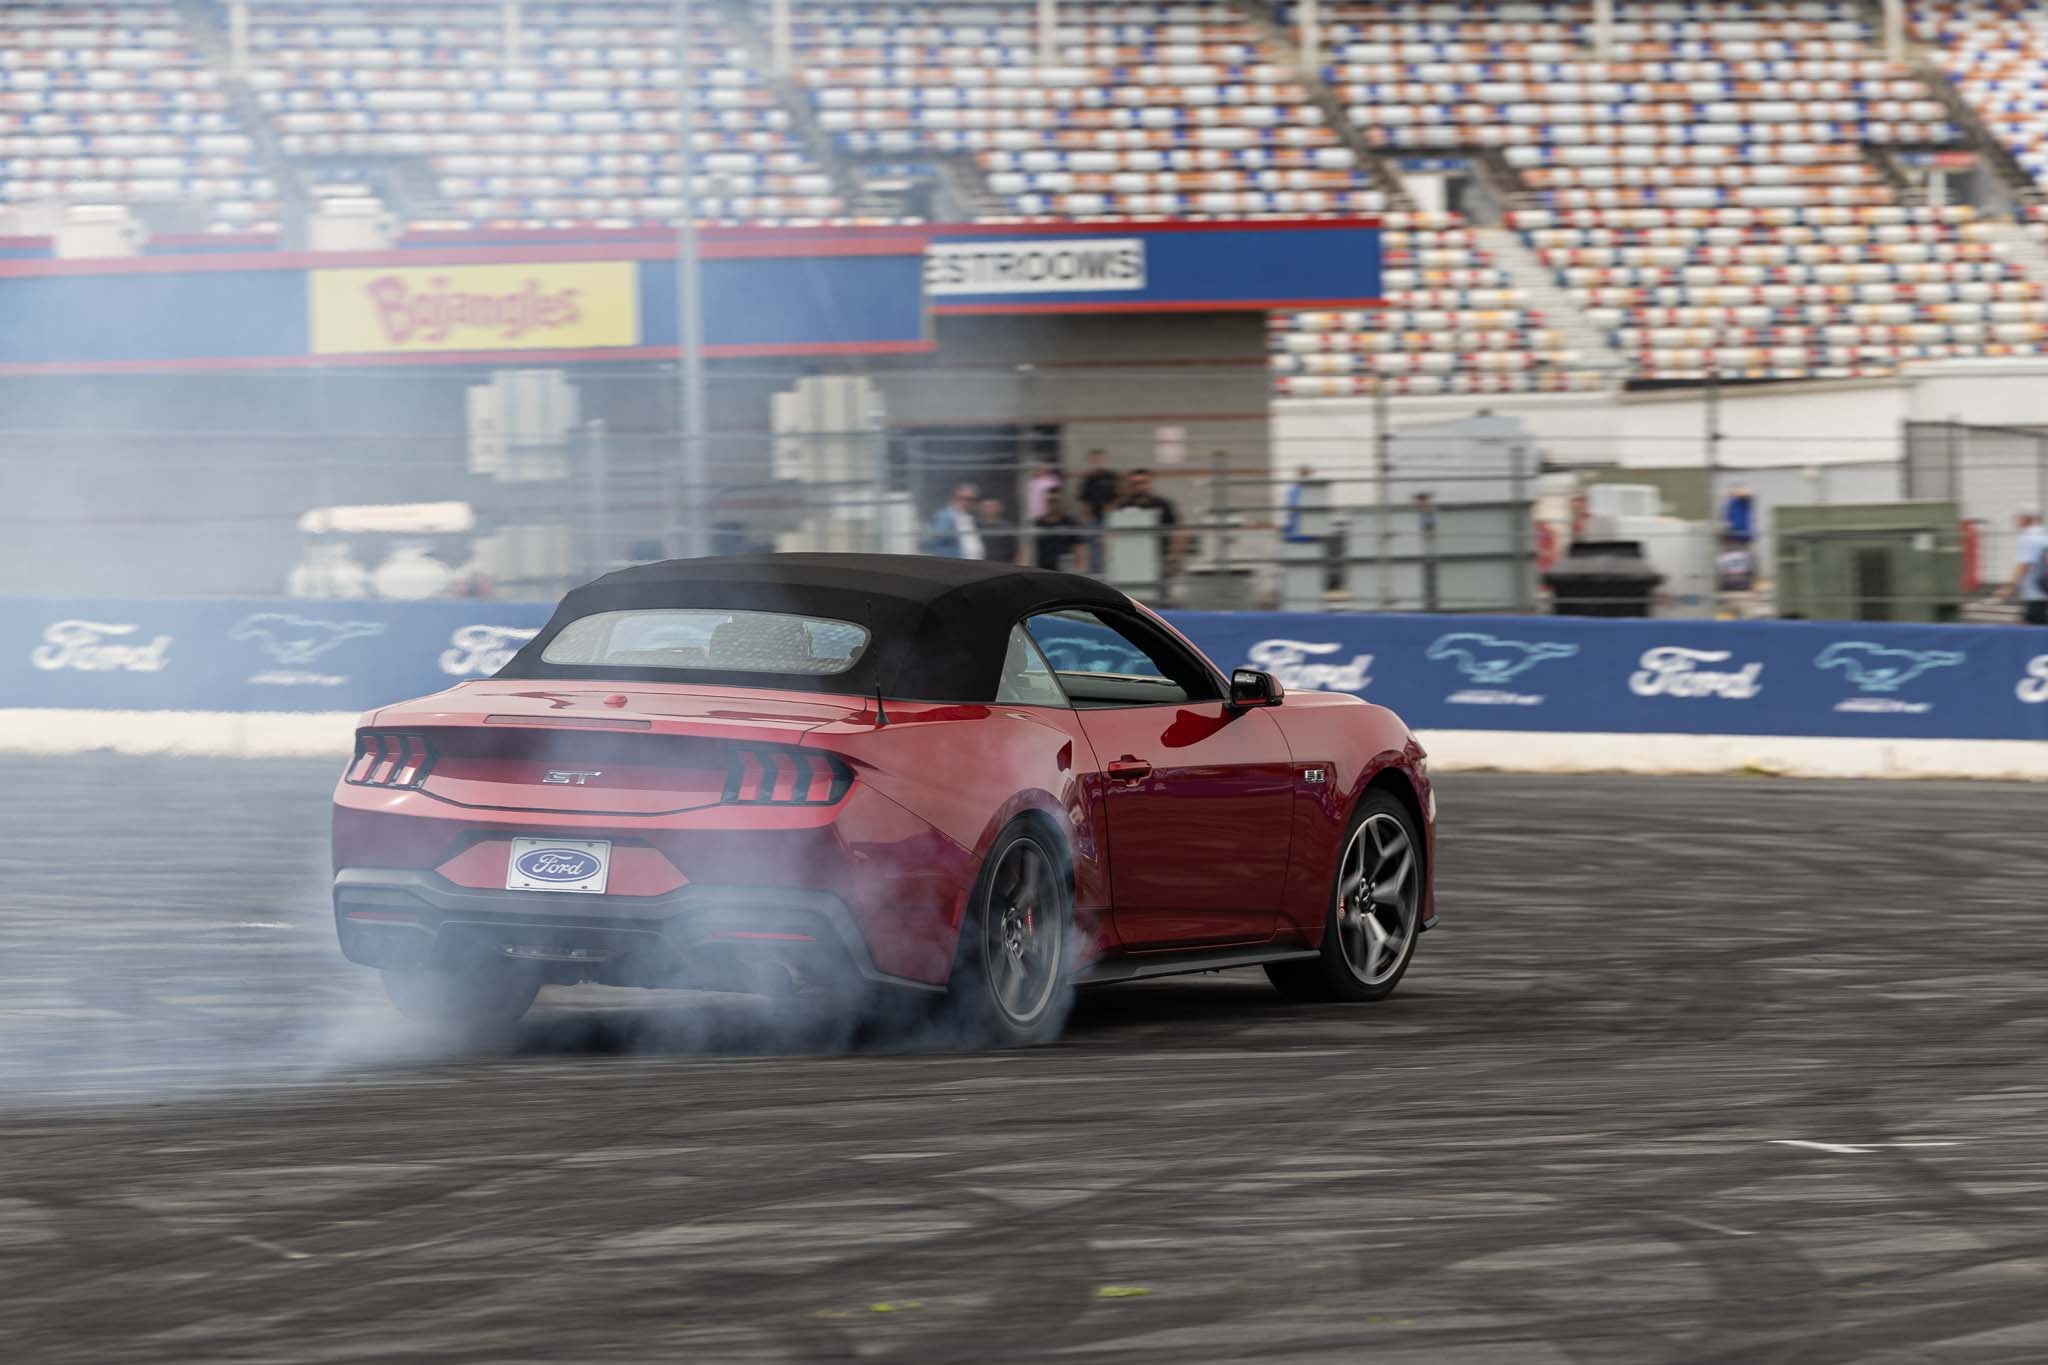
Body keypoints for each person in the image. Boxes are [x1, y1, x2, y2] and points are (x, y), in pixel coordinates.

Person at [1115, 467, 1184, 579]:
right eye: (1134, 483)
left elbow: (1177, 533)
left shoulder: (1163, 505)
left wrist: (1174, 559)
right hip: (1129, 561)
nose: (1139, 487)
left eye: (1143, 482)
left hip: (1159, 558)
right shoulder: (1121, 507)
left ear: (1150, 483)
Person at [1997, 508, 2048, 624]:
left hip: (2034, 594)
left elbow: (2024, 565)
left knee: (2036, 630)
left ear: (2027, 518)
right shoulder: (2044, 535)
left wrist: (2008, 587)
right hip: (2043, 592)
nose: (2016, 520)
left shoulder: (2028, 538)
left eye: (2018, 517)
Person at [1031, 485, 1090, 572]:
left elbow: (1081, 551)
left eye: (1056, 501)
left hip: (1064, 572)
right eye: (1050, 501)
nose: (1053, 504)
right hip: (1041, 572)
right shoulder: (1037, 524)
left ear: (1062, 502)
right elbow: (1028, 552)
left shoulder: (1072, 524)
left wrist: (1079, 573)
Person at [923, 482, 985, 560]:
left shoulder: (971, 516)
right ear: (954, 498)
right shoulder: (945, 516)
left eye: (970, 499)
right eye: (961, 498)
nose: (966, 502)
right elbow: (931, 541)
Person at [1078, 448, 1120, 524]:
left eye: (1098, 460)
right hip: (1094, 518)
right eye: (1094, 460)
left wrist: (1112, 508)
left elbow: (1119, 495)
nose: (1096, 462)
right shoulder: (1087, 479)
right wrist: (1088, 515)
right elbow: (1084, 500)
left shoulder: (1111, 476)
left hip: (1111, 516)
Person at [978, 495, 1017, 565]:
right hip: (981, 565)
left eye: (992, 506)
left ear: (1000, 507)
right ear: (980, 508)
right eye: (986, 506)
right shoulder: (974, 526)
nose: (989, 509)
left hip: (1003, 565)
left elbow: (1016, 550)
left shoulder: (1008, 527)